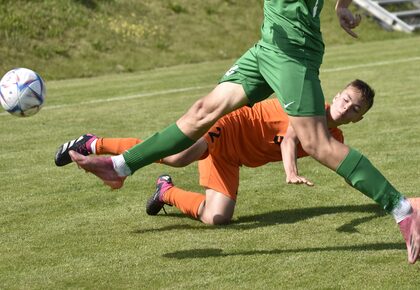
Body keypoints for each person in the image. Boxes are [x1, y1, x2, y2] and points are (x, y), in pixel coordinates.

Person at [56, 0, 420, 264]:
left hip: (294, 50)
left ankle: (403, 208)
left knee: (317, 142)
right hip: (267, 46)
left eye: (355, 109)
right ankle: (119, 165)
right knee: (200, 113)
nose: (346, 108)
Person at [56, 80, 374, 226]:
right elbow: (291, 138)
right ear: (338, 94)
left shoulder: (335, 137)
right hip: (229, 125)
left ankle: (165, 192)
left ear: (359, 118)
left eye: (355, 108)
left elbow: (344, 164)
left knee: (217, 217)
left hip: (232, 156)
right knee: (177, 155)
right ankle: (94, 144)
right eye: (346, 99)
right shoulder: (313, 104)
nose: (347, 107)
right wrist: (290, 171)